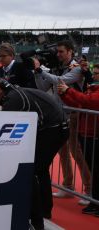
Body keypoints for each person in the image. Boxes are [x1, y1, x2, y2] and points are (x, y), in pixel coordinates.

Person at [0, 79, 69, 230]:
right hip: (54, 128)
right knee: (40, 169)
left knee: (34, 171)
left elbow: (2, 123)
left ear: (3, 88)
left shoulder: (14, 98)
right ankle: (44, 210)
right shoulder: (17, 92)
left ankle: (38, 216)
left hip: (53, 129)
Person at [33, 40, 91, 201]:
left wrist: (41, 70)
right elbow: (42, 88)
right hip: (59, 114)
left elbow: (60, 81)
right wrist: (38, 73)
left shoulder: (77, 67)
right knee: (62, 151)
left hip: (74, 114)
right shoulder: (56, 68)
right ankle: (68, 186)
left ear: (70, 51)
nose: (58, 54)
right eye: (57, 52)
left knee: (76, 152)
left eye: (61, 52)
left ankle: (89, 190)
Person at [58, 64, 99, 217]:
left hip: (93, 134)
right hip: (87, 133)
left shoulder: (94, 92)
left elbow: (88, 101)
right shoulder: (93, 90)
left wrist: (68, 90)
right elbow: (78, 103)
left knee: (96, 169)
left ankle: (95, 200)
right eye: (93, 73)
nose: (93, 76)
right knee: (93, 168)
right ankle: (94, 200)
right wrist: (63, 94)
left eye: (96, 74)